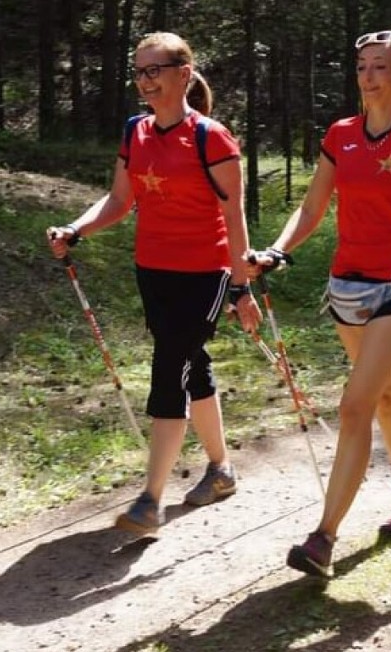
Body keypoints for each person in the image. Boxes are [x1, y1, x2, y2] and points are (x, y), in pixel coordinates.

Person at [250, 28, 391, 579]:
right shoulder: (341, 135)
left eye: (380, 67)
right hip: (345, 290)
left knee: (354, 406)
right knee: (382, 400)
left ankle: (323, 537)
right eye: (361, 68)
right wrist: (277, 251)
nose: (369, 77)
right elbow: (311, 210)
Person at [47, 31, 262, 539]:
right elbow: (119, 200)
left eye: (155, 70)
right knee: (191, 363)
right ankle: (221, 469)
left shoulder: (212, 136)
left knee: (170, 366)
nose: (145, 81)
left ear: (183, 73)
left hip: (205, 271)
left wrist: (241, 286)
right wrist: (77, 228)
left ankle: (150, 500)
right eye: (139, 72)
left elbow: (235, 215)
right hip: (154, 269)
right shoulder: (134, 132)